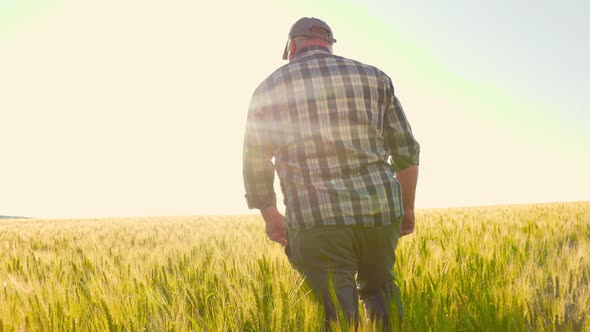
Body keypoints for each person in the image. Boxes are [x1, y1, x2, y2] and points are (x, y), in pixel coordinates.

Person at [243, 17, 420, 330]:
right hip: (379, 215)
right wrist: (406, 208)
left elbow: (256, 158)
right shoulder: (376, 78)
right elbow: (406, 151)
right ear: (329, 44)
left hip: (317, 220)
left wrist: (270, 215)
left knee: (335, 312)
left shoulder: (269, 88)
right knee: (381, 293)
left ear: (292, 46)